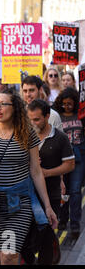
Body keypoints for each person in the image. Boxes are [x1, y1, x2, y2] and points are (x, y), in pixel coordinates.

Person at [0, 88, 57, 265]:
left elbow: (36, 171)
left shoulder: (27, 134)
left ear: (15, 108)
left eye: (3, 104)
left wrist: (48, 206)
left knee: (9, 254)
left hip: (19, 204)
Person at [23, 99, 74, 264]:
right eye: (30, 119)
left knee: (45, 237)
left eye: (36, 119)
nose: (33, 123)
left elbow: (69, 164)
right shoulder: (23, 136)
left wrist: (46, 173)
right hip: (26, 195)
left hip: (51, 195)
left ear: (47, 116)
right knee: (26, 239)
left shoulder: (60, 138)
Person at [52, 87, 85, 237]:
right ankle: (63, 218)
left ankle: (75, 224)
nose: (67, 106)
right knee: (62, 191)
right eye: (64, 104)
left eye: (70, 103)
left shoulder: (81, 115)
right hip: (61, 157)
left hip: (78, 155)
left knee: (76, 191)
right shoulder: (57, 115)